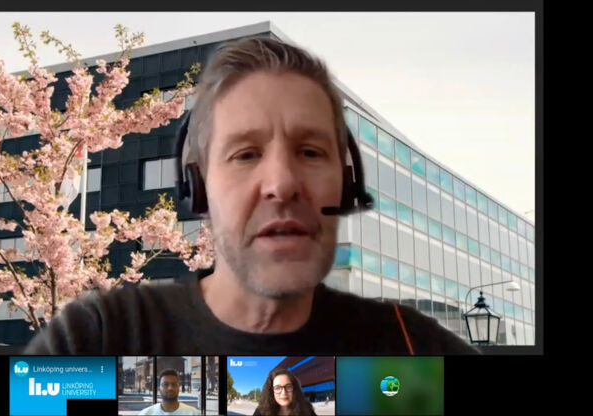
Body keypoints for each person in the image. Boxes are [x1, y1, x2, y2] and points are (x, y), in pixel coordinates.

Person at [24, 37, 479, 355]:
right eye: (245, 154)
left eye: (310, 151)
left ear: (347, 183)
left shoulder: (414, 349)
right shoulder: (97, 338)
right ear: (199, 187)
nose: (281, 184)